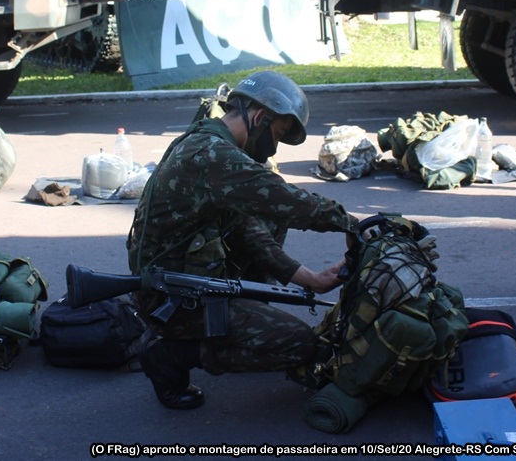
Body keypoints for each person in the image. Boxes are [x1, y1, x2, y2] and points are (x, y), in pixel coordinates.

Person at [126, 70, 361, 409]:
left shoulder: (207, 139)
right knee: (300, 345)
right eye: (277, 134)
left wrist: (307, 278)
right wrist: (353, 224)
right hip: (174, 298)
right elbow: (288, 200)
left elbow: (248, 228)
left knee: (267, 218)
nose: (275, 146)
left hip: (184, 282)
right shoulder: (214, 155)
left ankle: (241, 326)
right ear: (261, 117)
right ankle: (172, 353)